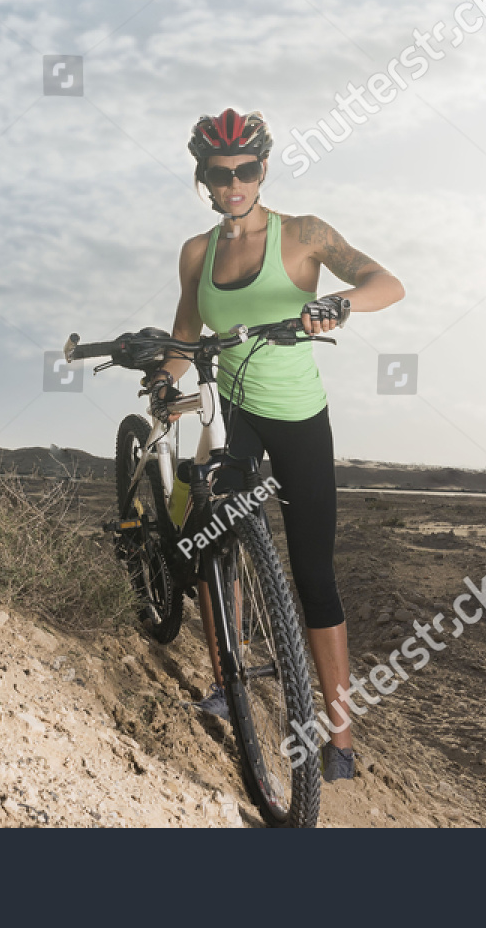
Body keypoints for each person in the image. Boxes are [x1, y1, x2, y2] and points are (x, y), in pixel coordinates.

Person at [151, 108, 405, 782]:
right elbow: (185, 340)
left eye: (247, 170)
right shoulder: (197, 253)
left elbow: (388, 283)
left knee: (314, 576)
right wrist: (161, 374)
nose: (234, 182)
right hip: (232, 414)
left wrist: (341, 304)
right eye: (219, 172)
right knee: (212, 540)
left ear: (264, 168)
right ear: (203, 177)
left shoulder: (305, 234)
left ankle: (341, 739)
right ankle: (228, 685)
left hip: (298, 419)